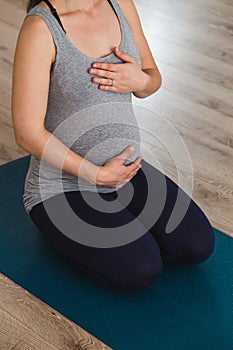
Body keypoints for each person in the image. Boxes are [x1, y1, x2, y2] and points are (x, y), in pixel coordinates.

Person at [11, 0, 215, 293]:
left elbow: (151, 79)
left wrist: (140, 79)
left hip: (126, 172)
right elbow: (27, 134)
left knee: (197, 245)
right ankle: (57, 231)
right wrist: (95, 175)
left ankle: (114, 225)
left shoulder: (119, 4)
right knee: (142, 270)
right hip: (63, 187)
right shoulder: (40, 28)